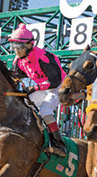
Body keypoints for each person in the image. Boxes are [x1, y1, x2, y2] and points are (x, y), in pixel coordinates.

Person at [9, 24, 68, 157]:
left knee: (45, 109)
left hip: (60, 86)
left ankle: (59, 144)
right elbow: (16, 78)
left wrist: (34, 88)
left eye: (18, 47)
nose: (16, 51)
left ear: (29, 45)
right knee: (24, 103)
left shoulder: (43, 56)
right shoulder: (18, 61)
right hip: (44, 86)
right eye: (14, 47)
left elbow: (55, 81)